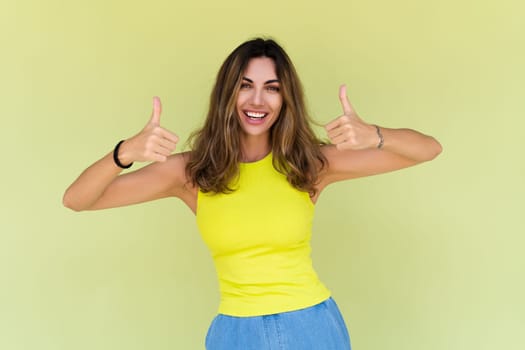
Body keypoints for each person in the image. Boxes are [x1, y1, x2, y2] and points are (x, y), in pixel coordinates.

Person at [63, 38, 442, 349]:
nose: (257, 101)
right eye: (245, 86)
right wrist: (124, 153)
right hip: (235, 335)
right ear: (227, 94)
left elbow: (427, 150)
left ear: (285, 99)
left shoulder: (308, 165)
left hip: (311, 328)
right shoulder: (191, 172)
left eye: (271, 89)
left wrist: (373, 135)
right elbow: (78, 199)